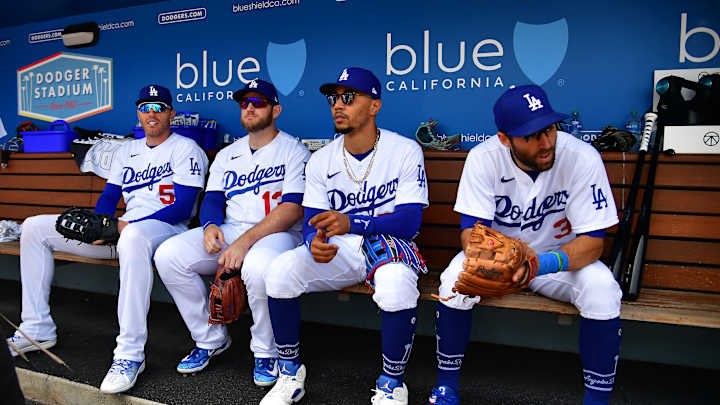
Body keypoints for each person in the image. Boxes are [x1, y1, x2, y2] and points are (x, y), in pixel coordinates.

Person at [6, 84, 209, 395]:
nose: (151, 113)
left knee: (134, 236)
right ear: (138, 114)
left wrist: (124, 226)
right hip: (123, 232)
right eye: (145, 107)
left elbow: (182, 207)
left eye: (159, 107)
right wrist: (103, 224)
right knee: (34, 227)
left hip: (166, 232)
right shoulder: (127, 150)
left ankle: (129, 354)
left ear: (171, 113)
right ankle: (36, 327)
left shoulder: (186, 149)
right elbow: (109, 195)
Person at [427, 85, 622, 405]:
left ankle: (597, 400)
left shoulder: (581, 156)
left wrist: (537, 264)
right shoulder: (484, 158)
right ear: (505, 139)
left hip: (556, 261)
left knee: (602, 288)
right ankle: (447, 387)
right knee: (453, 282)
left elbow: (592, 244)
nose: (546, 142)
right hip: (498, 260)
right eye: (532, 135)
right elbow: (470, 233)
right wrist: (492, 257)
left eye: (549, 129)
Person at [258, 67, 429, 405]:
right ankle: (290, 372)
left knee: (395, 285)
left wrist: (353, 223)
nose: (338, 104)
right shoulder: (322, 159)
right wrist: (313, 241)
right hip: (340, 250)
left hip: (389, 246)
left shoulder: (404, 150)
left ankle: (392, 383)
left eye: (348, 97)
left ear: (374, 106)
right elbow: (311, 220)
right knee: (278, 272)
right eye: (333, 98)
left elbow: (409, 223)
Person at [154, 79, 310, 386]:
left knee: (258, 265)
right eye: (244, 103)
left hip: (278, 233)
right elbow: (212, 198)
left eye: (259, 102)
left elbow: (292, 208)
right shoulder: (229, 153)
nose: (250, 107)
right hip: (232, 229)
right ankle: (210, 338)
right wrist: (210, 225)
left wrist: (242, 244)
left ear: (276, 109)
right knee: (168, 255)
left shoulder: (294, 150)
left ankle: (268, 350)